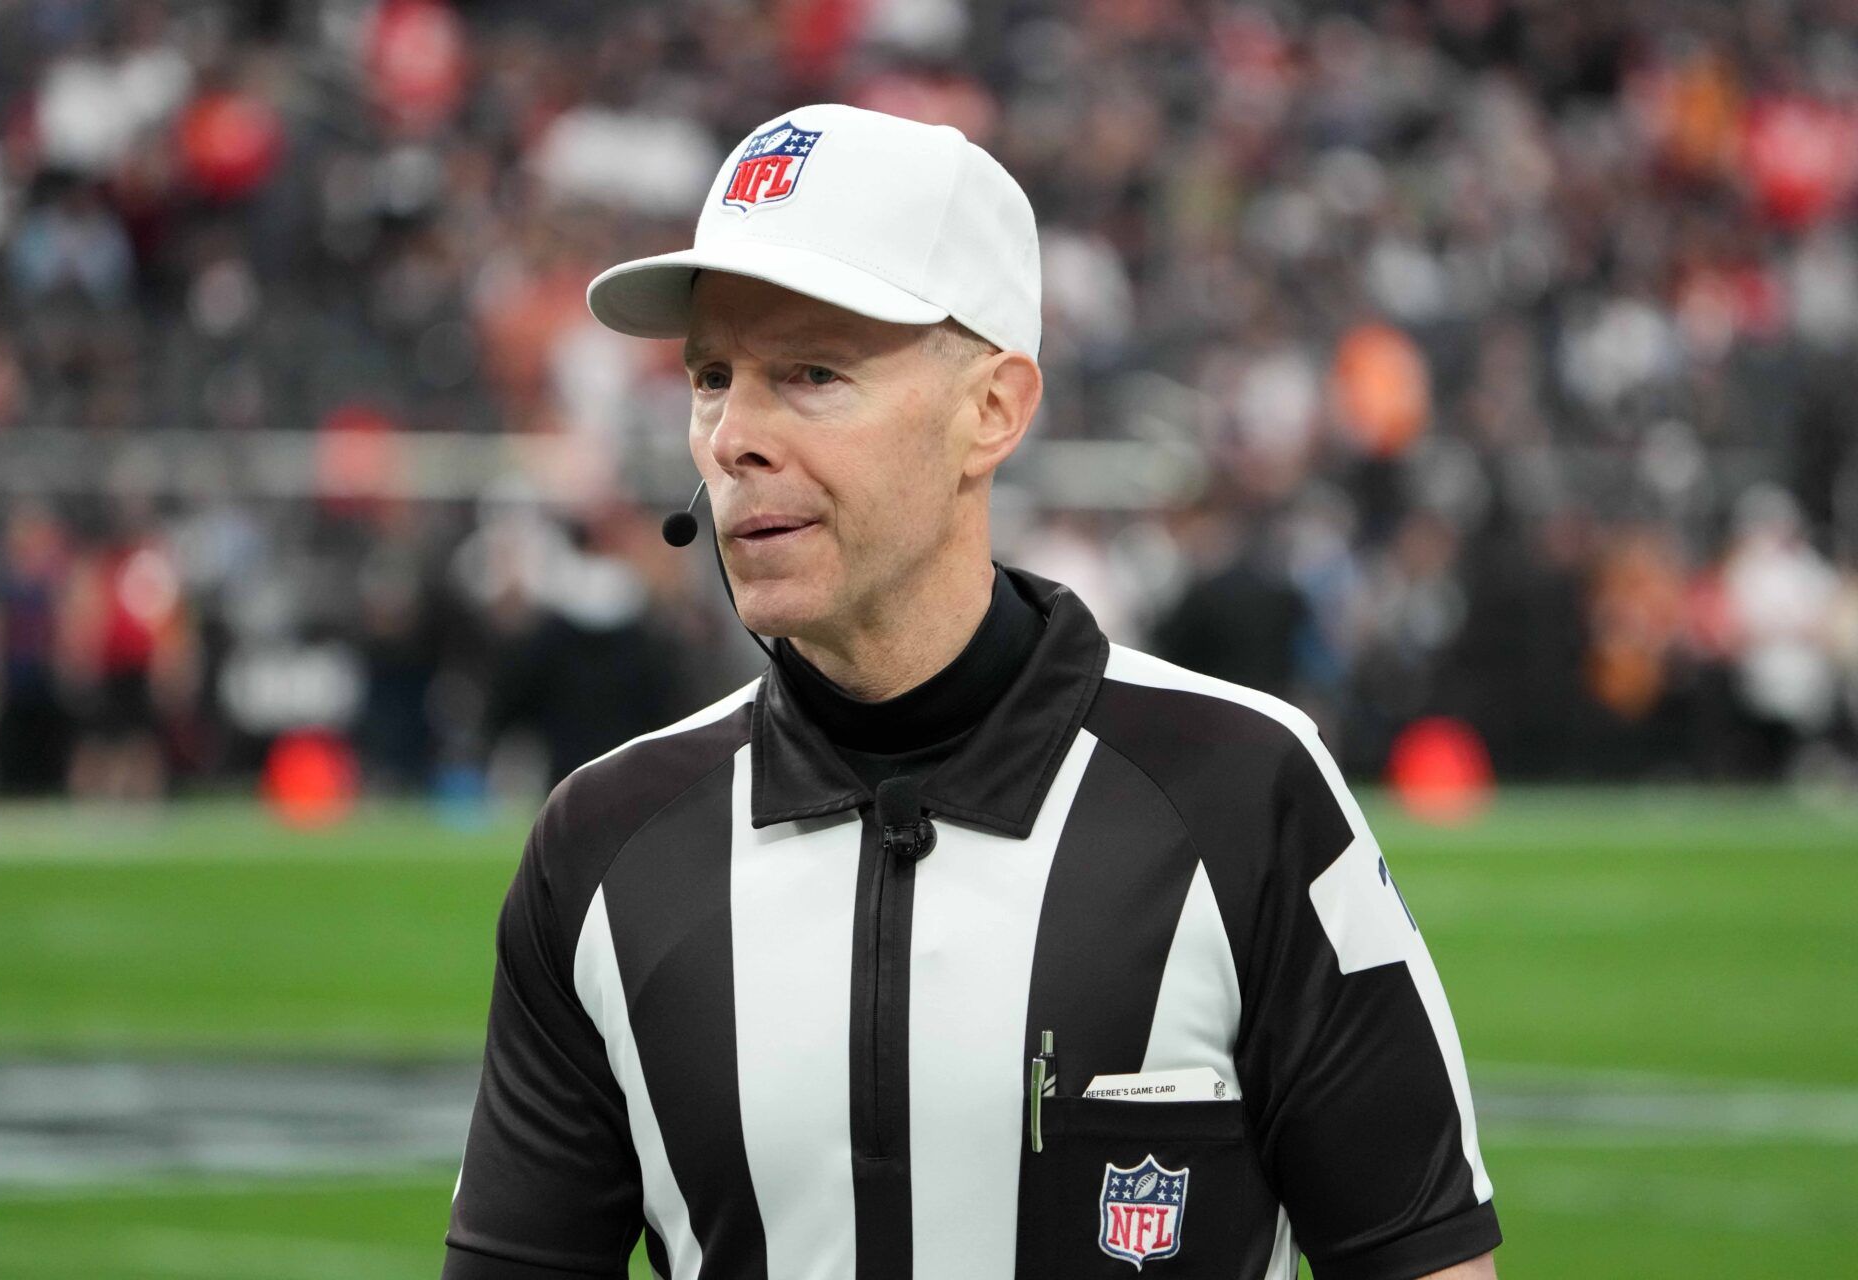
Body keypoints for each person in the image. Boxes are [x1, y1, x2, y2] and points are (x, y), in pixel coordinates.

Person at [443, 104, 1500, 1280]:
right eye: (710, 376)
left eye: (810, 372)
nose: (732, 435)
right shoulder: (601, 843)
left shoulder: (1247, 791)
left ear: (992, 408)